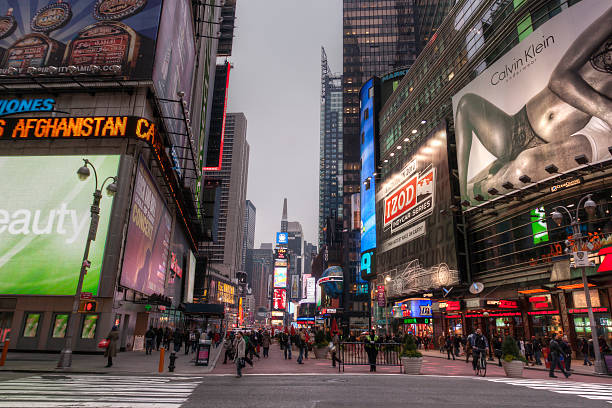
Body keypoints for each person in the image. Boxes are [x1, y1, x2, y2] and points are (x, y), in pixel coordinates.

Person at [456, 6, 612, 204]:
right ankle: (461, 191)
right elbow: (559, 80)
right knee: (466, 103)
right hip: (515, 131)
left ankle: (472, 189)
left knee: (499, 178)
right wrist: (606, 111)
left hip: (549, 144)